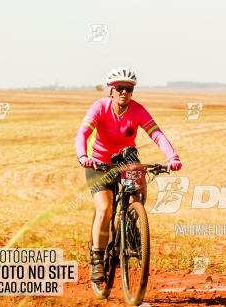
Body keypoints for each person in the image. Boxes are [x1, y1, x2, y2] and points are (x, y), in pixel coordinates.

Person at [75, 67, 183, 283]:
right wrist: (83, 155)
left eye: (129, 89)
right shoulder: (100, 107)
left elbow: (156, 133)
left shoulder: (137, 110)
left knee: (139, 188)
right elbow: (83, 132)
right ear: (111, 91)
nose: (124, 92)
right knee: (105, 209)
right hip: (99, 162)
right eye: (120, 88)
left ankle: (133, 224)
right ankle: (97, 260)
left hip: (126, 160)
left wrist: (172, 157)